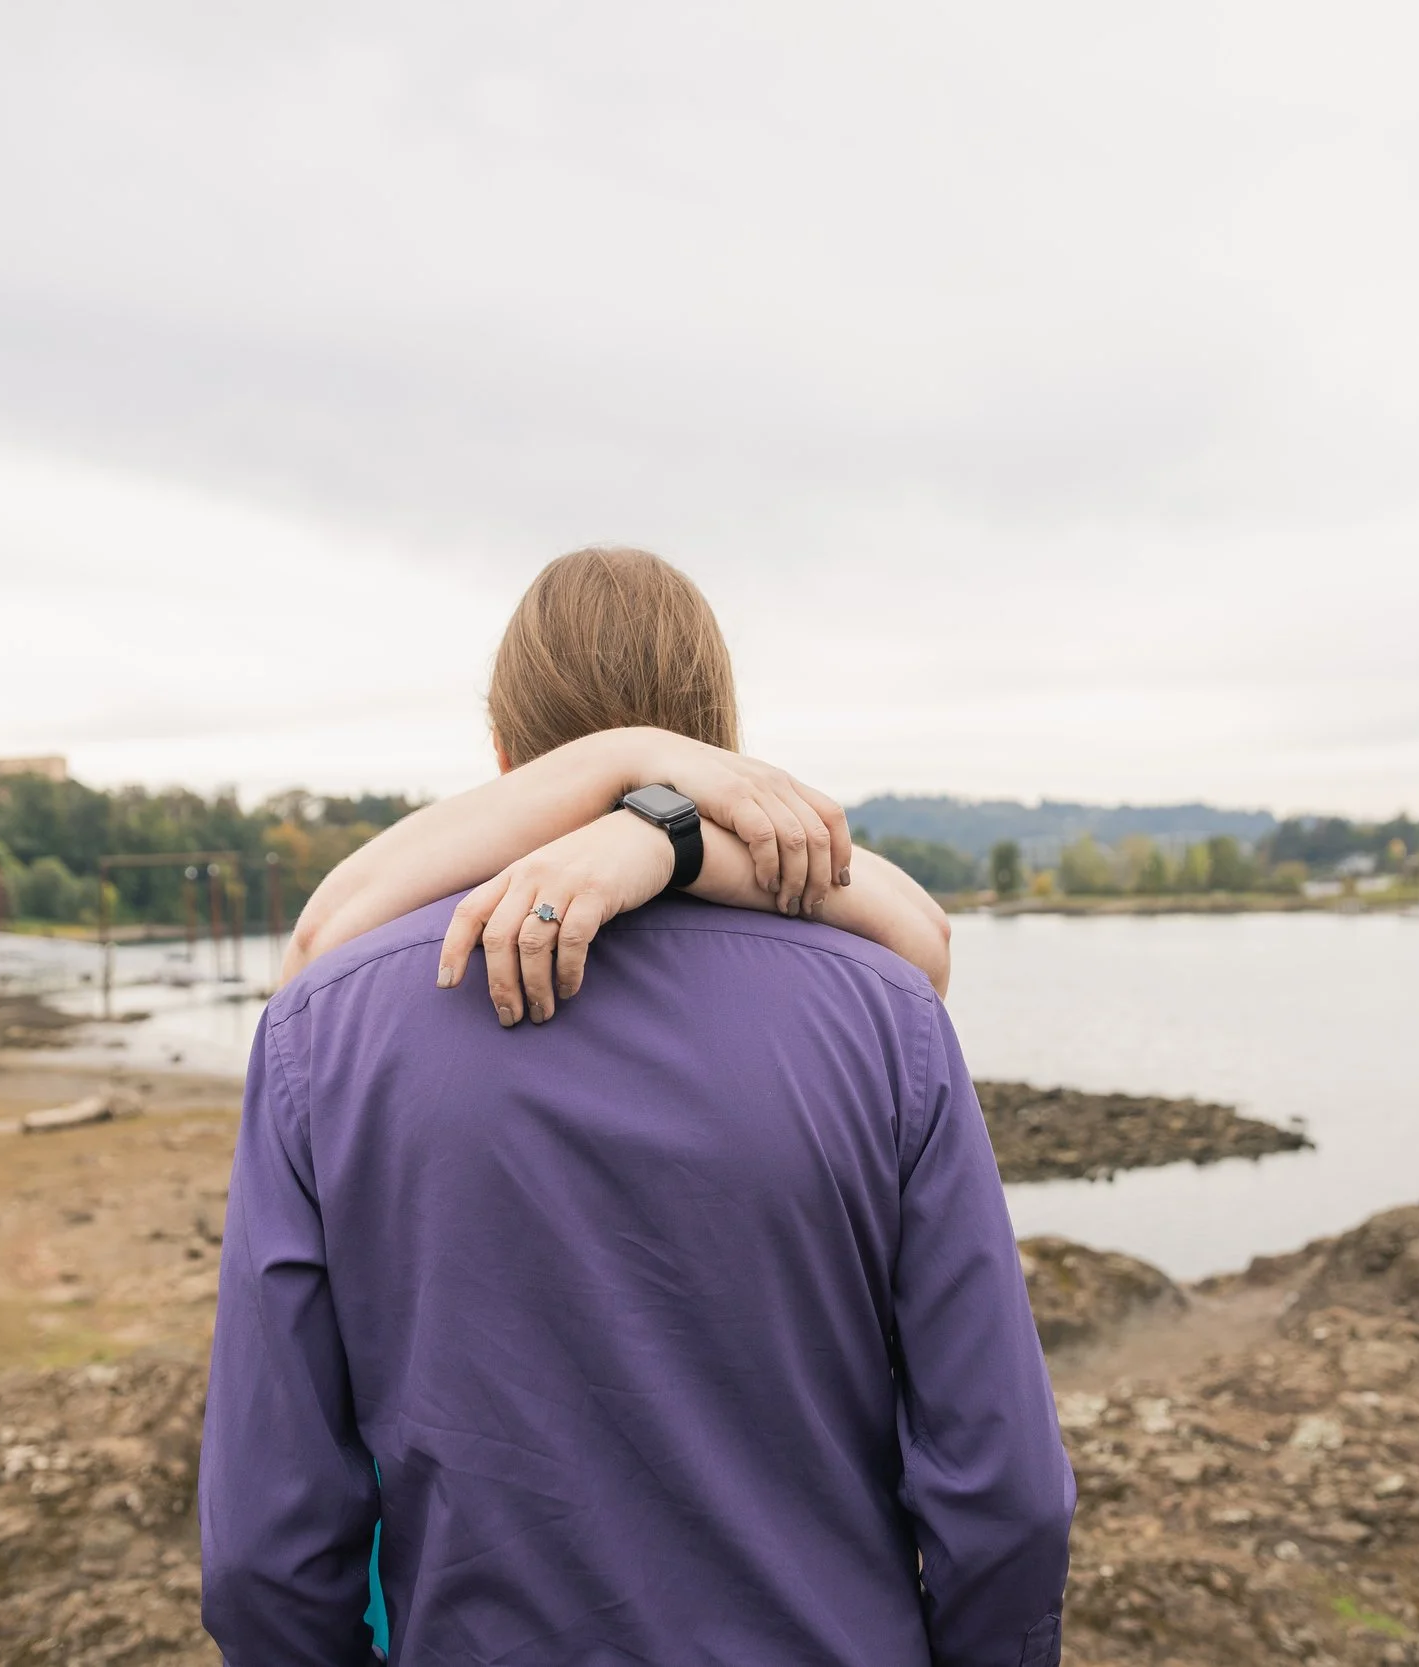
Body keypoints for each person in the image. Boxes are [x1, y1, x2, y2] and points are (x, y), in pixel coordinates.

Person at [200, 548, 1074, 1665]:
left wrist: (630, 796)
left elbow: (264, 1553)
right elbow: (1007, 1497)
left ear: (505, 754)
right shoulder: (890, 1012)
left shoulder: (320, 1026)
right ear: (730, 745)